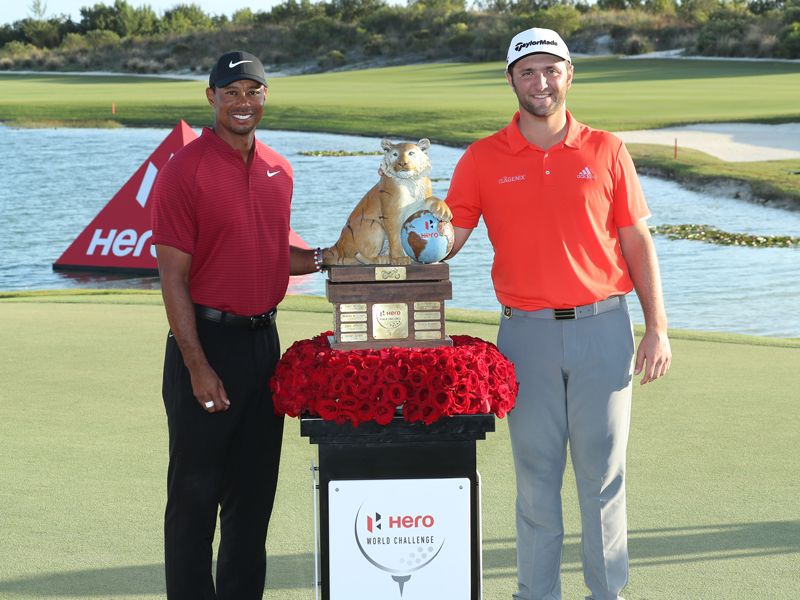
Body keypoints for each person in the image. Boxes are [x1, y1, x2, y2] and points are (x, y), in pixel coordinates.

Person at [444, 28, 671, 600]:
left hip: (605, 328)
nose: (540, 82)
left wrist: (658, 327)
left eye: (551, 69)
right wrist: (397, 227)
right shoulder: (481, 159)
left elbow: (637, 241)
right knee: (536, 477)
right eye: (528, 71)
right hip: (525, 337)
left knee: (602, 480)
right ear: (510, 80)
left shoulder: (607, 149)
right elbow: (445, 241)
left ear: (570, 75)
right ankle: (536, 593)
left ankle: (606, 593)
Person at [150, 50, 325, 600]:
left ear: (265, 97)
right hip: (205, 343)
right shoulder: (185, 169)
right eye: (231, 93)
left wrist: (329, 256)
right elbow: (173, 277)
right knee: (195, 502)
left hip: (262, 348)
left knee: (252, 500)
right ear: (211, 98)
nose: (243, 103)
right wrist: (197, 365)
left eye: (253, 91)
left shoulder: (279, 168)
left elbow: (276, 252)